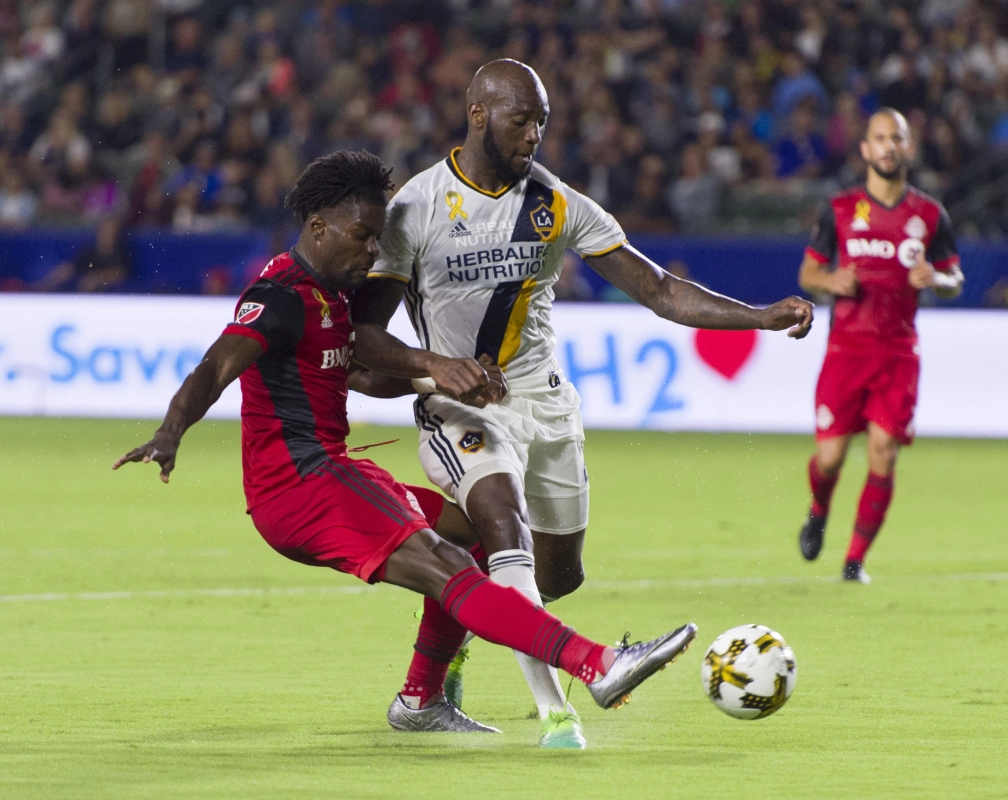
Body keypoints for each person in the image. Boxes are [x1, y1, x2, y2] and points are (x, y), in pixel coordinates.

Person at [112, 150, 697, 736]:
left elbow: (361, 376)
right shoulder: (282, 297)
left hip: (328, 474)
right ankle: (597, 664)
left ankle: (421, 699)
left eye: (377, 239)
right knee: (446, 566)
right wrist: (169, 434)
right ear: (318, 227)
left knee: (466, 531)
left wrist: (441, 378)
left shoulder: (332, 297)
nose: (372, 252)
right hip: (302, 487)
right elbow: (215, 368)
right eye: (362, 237)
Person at [348, 60, 814, 749]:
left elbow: (659, 289)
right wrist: (434, 373)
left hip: (547, 402)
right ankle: (559, 716)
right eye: (520, 120)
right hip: (463, 410)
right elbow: (361, 336)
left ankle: (438, 665)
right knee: (507, 531)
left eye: (541, 122)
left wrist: (760, 315)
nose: (534, 134)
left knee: (553, 575)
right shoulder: (415, 209)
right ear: (478, 114)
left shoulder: (554, 203)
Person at [796, 109, 963, 584]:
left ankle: (855, 560)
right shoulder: (840, 209)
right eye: (880, 138)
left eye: (898, 138)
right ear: (865, 150)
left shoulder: (930, 215)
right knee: (829, 458)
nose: (889, 146)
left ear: (908, 148)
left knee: (883, 451)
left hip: (897, 353)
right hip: (845, 352)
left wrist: (938, 279)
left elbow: (955, 277)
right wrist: (830, 280)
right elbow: (808, 272)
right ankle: (818, 510)